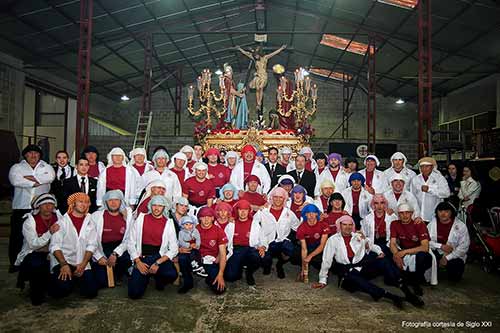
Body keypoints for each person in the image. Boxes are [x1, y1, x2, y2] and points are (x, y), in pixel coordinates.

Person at [313, 215, 423, 308]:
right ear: (339, 226)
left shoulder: (358, 236)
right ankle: (392, 297)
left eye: (350, 225)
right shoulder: (333, 240)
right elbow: (326, 260)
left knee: (383, 261)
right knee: (355, 279)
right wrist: (322, 280)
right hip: (347, 273)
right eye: (344, 224)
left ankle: (407, 293)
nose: (347, 227)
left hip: (362, 267)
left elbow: (371, 245)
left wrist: (379, 252)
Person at [8, 144, 55, 272]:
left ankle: (38, 260)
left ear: (40, 155)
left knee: (38, 235)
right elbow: (15, 181)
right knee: (17, 236)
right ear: (25, 155)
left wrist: (28, 180)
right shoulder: (17, 168)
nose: (33, 155)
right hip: (21, 207)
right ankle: (15, 263)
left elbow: (50, 177)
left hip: (41, 209)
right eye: (30, 153)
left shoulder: (47, 167)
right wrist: (37, 182)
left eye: (36, 153)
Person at [127, 195, 179, 299]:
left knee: (172, 274)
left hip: (158, 257)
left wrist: (157, 263)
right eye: (154, 205)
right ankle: (144, 276)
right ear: (150, 206)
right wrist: (138, 262)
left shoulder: (168, 223)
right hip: (142, 258)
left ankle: (158, 279)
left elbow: (174, 248)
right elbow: (130, 242)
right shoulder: (141, 218)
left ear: (164, 207)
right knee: (134, 294)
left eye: (160, 206)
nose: (157, 208)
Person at [49, 192, 98, 299]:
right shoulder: (62, 222)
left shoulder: (90, 221)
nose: (83, 205)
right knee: (60, 292)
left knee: (91, 292)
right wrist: (64, 265)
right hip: (64, 262)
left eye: (86, 202)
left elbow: (92, 245)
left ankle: (75, 280)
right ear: (73, 204)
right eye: (80, 202)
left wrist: (84, 264)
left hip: (82, 262)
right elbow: (54, 246)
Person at [15, 194, 60, 305]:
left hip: (54, 250)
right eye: (44, 204)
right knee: (37, 264)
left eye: (51, 204)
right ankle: (36, 295)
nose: (48, 207)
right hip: (34, 252)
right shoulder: (29, 221)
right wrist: (49, 232)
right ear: (38, 206)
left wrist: (49, 247)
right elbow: (34, 244)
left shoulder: (59, 218)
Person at [178, 207, 227, 294]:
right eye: (203, 217)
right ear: (199, 218)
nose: (206, 219)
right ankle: (188, 283)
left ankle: (209, 278)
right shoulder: (193, 229)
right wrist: (180, 249)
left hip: (210, 261)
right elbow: (183, 242)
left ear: (213, 218)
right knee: (182, 257)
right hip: (196, 259)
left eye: (209, 216)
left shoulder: (218, 231)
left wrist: (220, 274)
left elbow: (223, 254)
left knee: (220, 290)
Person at [253, 187, 300, 278]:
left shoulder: (289, 213)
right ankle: (267, 266)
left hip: (282, 241)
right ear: (271, 198)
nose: (278, 199)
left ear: (284, 199)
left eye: (281, 197)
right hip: (267, 241)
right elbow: (253, 225)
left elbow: (298, 227)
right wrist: (259, 244)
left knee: (294, 253)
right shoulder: (263, 211)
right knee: (264, 258)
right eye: (275, 197)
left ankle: (279, 265)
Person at [91, 190, 133, 288]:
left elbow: (129, 239)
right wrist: (98, 257)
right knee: (102, 282)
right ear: (105, 202)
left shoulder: (127, 217)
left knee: (126, 258)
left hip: (120, 246)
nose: (113, 203)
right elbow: (90, 240)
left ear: (121, 202)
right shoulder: (96, 216)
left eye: (116, 200)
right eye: (110, 200)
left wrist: (115, 253)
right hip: (101, 247)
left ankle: (119, 274)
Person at [390, 203, 435, 297]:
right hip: (404, 253)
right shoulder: (394, 224)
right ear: (398, 215)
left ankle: (416, 283)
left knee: (422, 256)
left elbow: (425, 247)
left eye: (407, 213)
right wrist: (396, 255)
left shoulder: (419, 224)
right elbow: (392, 243)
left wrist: (403, 252)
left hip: (418, 252)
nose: (404, 216)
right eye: (401, 213)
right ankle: (410, 277)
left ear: (412, 213)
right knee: (389, 279)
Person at [237, 44, 287, 111]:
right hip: (258, 75)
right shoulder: (255, 60)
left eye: (257, 55)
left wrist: (281, 48)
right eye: (255, 56)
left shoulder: (265, 58)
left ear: (260, 54)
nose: (256, 56)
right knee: (257, 88)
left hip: (263, 76)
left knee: (261, 87)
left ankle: (259, 102)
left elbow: (273, 53)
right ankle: (258, 104)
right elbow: (247, 54)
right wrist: (240, 49)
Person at [428, 202, 470, 282]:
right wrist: (440, 246)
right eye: (440, 211)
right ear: (437, 212)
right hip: (437, 252)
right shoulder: (432, 224)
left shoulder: (461, 226)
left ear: (452, 212)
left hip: (453, 255)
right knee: (425, 258)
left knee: (454, 278)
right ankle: (436, 267)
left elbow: (464, 247)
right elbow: (426, 241)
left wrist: (447, 258)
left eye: (446, 211)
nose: (443, 214)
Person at [224, 200, 262, 285]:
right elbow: (225, 240)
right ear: (237, 211)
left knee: (257, 256)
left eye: (245, 209)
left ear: (249, 211)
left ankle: (249, 272)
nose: (243, 212)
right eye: (240, 209)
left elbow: (261, 238)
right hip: (235, 250)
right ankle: (239, 267)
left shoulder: (254, 223)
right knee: (230, 277)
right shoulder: (231, 224)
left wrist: (261, 246)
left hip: (250, 249)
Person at [293, 204, 329, 281]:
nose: (311, 215)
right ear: (305, 214)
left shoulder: (324, 225)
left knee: (322, 261)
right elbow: (304, 249)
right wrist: (303, 268)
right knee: (296, 254)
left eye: (313, 212)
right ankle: (304, 270)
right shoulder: (301, 228)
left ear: (317, 214)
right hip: (308, 246)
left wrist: (310, 256)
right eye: (308, 213)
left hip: (319, 248)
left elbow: (322, 245)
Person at [410, 157, 450, 223]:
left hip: (434, 216)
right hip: (419, 217)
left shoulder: (439, 178)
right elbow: (412, 197)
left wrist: (430, 189)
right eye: (422, 166)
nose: (424, 169)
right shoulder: (415, 179)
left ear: (432, 167)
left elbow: (446, 193)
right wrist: (416, 214)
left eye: (427, 166)